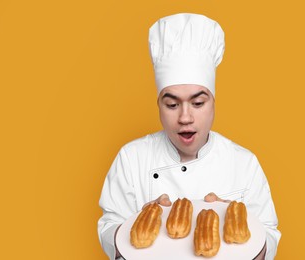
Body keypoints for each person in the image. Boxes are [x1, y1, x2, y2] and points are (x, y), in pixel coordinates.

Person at [98, 13, 281, 260]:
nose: (185, 117)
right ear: (159, 106)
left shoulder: (244, 163)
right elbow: (109, 228)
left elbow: (269, 236)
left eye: (197, 103)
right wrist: (134, 224)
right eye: (172, 105)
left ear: (213, 103)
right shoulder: (131, 158)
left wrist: (238, 220)